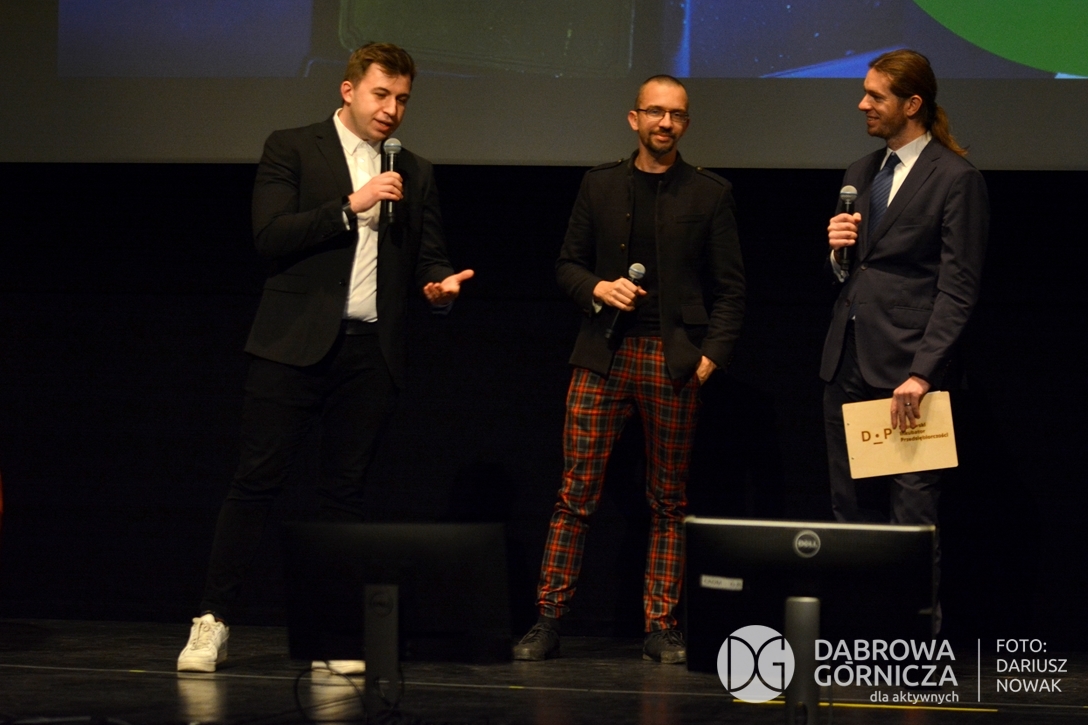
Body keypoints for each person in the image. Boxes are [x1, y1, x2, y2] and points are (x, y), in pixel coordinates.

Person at [177, 43, 473, 673]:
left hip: (370, 353)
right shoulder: (292, 147)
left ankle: (333, 634)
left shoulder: (415, 171)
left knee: (344, 494)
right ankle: (212, 620)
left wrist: (439, 288)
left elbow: (430, 256)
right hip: (291, 345)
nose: (392, 109)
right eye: (381, 94)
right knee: (255, 482)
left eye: (402, 99)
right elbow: (270, 236)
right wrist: (351, 206)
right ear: (348, 90)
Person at [513, 75, 745, 664]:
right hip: (602, 356)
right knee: (575, 494)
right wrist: (597, 287)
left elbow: (731, 289)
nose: (666, 123)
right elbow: (566, 264)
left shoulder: (709, 193)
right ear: (634, 118)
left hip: (673, 360)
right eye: (656, 112)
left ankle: (661, 627)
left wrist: (710, 358)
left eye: (677, 115)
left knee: (668, 500)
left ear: (686, 124)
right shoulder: (599, 184)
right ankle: (547, 620)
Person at [821, 50, 988, 580]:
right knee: (849, 510)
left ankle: (912, 628)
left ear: (912, 104)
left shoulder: (955, 178)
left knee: (911, 516)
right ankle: (855, 620)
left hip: (909, 374)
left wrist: (922, 373)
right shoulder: (860, 171)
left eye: (876, 96)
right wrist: (837, 253)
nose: (862, 104)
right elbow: (859, 272)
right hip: (848, 361)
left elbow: (958, 289)